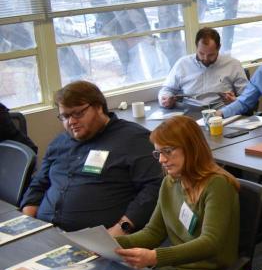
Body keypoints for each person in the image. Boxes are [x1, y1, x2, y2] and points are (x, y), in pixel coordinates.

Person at [113, 116, 239, 270]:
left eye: (168, 151)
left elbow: (210, 243)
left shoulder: (217, 185)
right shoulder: (170, 182)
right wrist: (110, 244)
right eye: (158, 153)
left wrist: (154, 257)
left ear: (191, 148)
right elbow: (153, 232)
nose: (161, 160)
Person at [20, 81, 162, 233]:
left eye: (78, 113)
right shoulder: (60, 142)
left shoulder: (133, 139)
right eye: (65, 116)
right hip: (46, 232)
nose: (71, 121)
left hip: (102, 238)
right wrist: (27, 226)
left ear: (99, 107)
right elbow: (39, 183)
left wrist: (122, 229)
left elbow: (154, 189)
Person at [158, 27, 248, 108]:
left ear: (219, 48)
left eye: (211, 55)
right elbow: (166, 89)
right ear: (196, 47)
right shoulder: (183, 64)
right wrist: (166, 99)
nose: (205, 58)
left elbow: (247, 95)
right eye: (201, 53)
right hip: (190, 111)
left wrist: (235, 101)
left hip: (222, 111)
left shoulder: (233, 64)